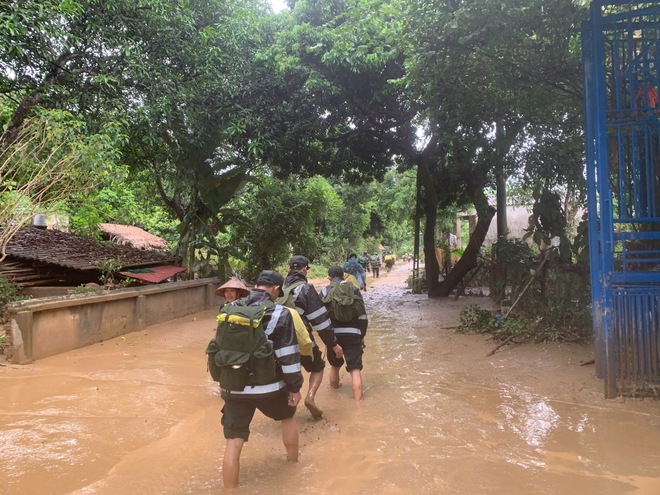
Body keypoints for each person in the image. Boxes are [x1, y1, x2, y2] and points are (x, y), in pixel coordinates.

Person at [220, 270, 303, 489]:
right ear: (276, 289)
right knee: (288, 417)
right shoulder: (280, 313)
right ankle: (294, 466)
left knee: (234, 441)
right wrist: (295, 388)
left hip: (235, 386)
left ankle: (229, 491)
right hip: (271, 387)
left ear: (256, 286)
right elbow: (289, 356)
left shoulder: (230, 308)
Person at [282, 255, 343, 418]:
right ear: (304, 270)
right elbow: (321, 322)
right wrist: (333, 344)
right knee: (318, 366)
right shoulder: (306, 289)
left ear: (289, 269)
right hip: (300, 339)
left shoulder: (277, 287)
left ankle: (288, 404)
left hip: (278, 342)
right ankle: (310, 397)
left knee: (283, 369)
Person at [320, 266, 368, 400]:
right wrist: (361, 335)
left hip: (334, 336)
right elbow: (362, 316)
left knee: (335, 366)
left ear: (329, 277)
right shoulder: (354, 290)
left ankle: (335, 399)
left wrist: (328, 338)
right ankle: (359, 405)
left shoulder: (325, 291)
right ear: (343, 276)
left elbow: (320, 317)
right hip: (353, 334)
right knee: (355, 369)